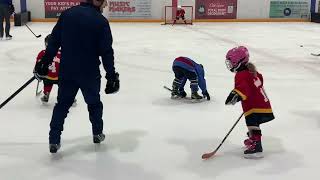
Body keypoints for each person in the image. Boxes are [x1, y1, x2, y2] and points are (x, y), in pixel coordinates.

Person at [34, 0, 120, 153]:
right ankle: (97, 133)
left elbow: (53, 41)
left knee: (62, 105)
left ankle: (53, 140)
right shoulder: (101, 21)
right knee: (94, 104)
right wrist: (111, 76)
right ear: (96, 1)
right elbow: (106, 52)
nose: (105, 5)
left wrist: (44, 63)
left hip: (67, 72)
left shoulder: (67, 14)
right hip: (90, 73)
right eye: (104, 2)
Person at [224, 46, 275, 159]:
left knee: (252, 124)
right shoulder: (252, 72)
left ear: (239, 61)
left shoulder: (241, 74)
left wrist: (235, 95)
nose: (230, 65)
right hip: (261, 103)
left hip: (254, 106)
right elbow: (257, 82)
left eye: (231, 62)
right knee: (253, 124)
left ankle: (257, 147)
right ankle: (253, 140)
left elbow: (243, 88)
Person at [34, 34, 61, 103]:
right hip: (60, 78)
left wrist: (36, 73)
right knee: (64, 84)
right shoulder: (63, 53)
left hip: (47, 77)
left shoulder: (42, 53)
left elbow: (37, 66)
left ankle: (46, 94)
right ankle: (67, 97)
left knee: (47, 81)